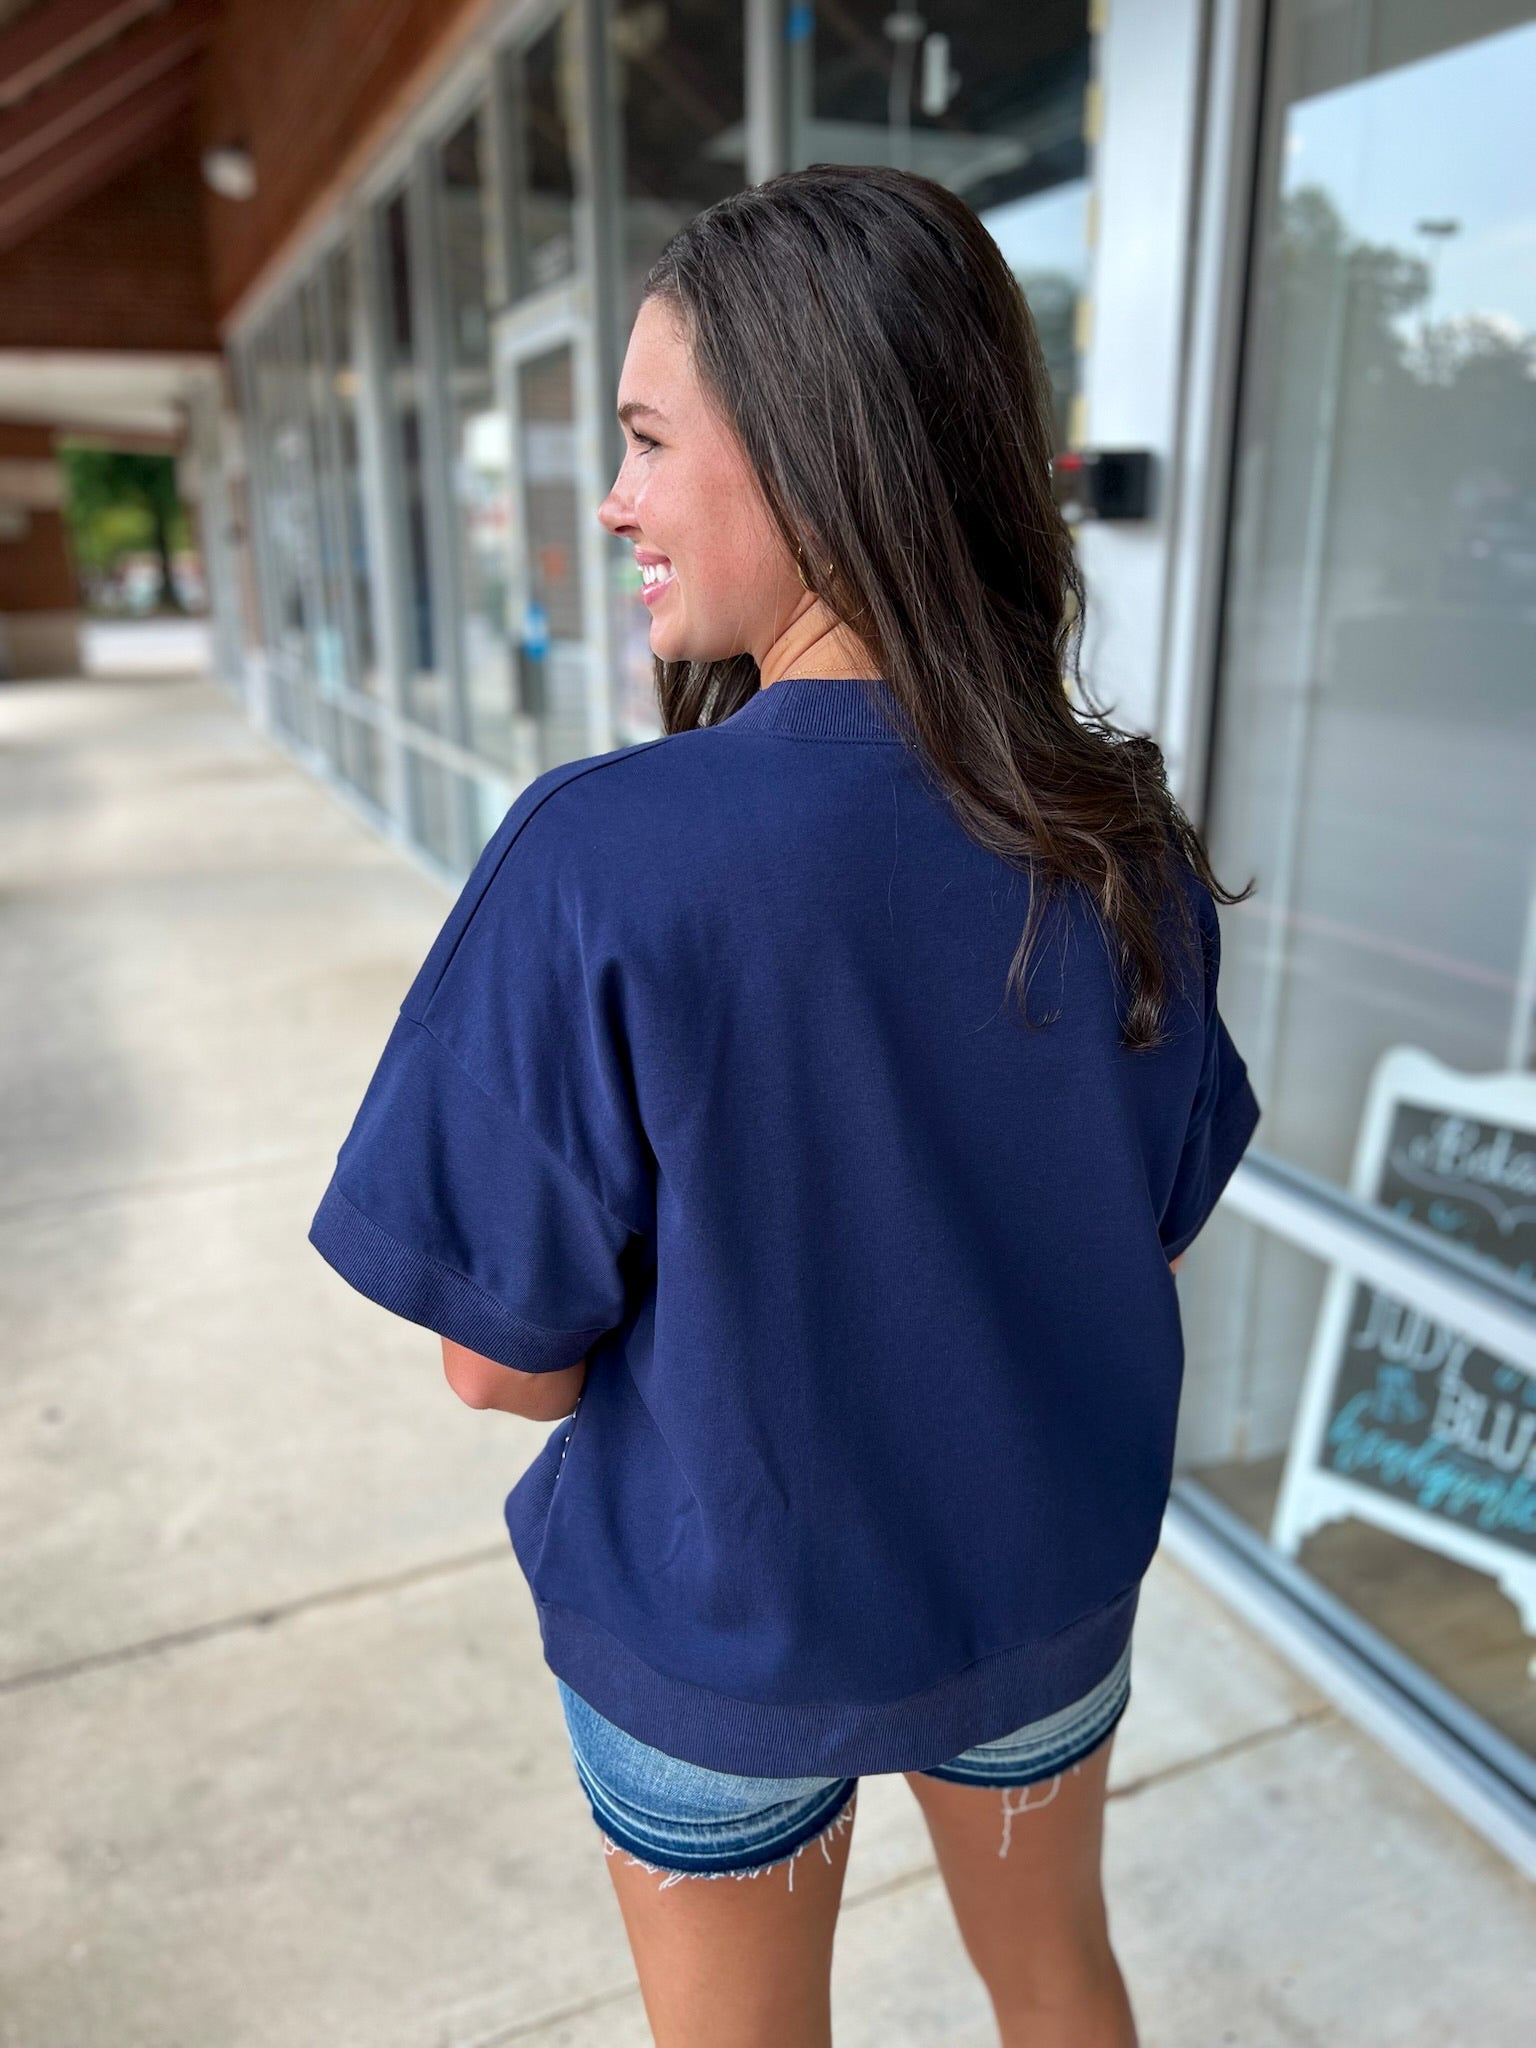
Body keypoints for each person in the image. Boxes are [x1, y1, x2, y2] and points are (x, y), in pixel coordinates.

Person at [308, 162, 1260, 2048]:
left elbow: (503, 1362)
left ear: (823, 460)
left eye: (650, 440)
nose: (614, 500)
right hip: (1036, 1594)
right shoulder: (1110, 837)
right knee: (1062, 1983)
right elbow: (1138, 1210)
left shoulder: (601, 858)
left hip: (715, 1633)